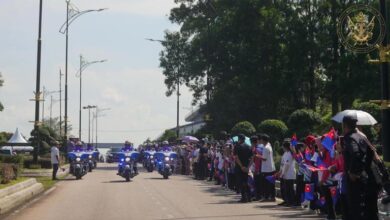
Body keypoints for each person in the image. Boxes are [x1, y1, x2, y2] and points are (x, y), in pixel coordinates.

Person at [343, 113, 379, 220]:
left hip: (355, 181)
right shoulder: (361, 136)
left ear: (345, 125)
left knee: (356, 209)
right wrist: (365, 169)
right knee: (368, 210)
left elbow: (356, 153)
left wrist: (353, 172)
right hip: (365, 178)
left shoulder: (350, 138)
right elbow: (371, 152)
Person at [233, 134, 253, 203]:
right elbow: (252, 158)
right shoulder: (249, 147)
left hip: (239, 167)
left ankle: (244, 197)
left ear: (239, 139)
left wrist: (241, 166)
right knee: (246, 182)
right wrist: (248, 167)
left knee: (241, 182)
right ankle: (249, 197)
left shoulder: (237, 147)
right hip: (246, 167)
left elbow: (236, 157)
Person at [279, 139, 296, 206]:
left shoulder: (289, 154)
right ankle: (286, 200)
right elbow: (282, 163)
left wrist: (283, 173)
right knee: (285, 188)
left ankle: (291, 201)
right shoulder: (285, 153)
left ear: (285, 147)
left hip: (289, 173)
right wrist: (280, 172)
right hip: (285, 173)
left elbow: (287, 165)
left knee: (289, 188)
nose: (282, 147)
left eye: (283, 146)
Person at [259, 134, 276, 202]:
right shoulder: (269, 145)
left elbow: (264, 158)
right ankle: (272, 197)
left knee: (266, 184)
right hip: (271, 168)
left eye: (261, 140)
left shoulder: (266, 148)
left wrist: (257, 156)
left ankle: (266, 197)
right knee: (271, 184)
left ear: (263, 140)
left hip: (267, 169)